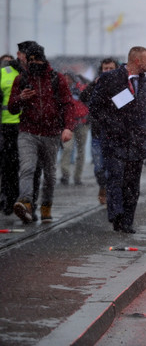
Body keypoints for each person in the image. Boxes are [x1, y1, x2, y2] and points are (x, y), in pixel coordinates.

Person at [8, 42, 76, 224]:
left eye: (37, 59)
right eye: (30, 60)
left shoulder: (57, 79)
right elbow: (12, 108)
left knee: (50, 174)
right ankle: (25, 203)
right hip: (27, 132)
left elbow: (68, 104)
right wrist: (20, 98)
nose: (34, 63)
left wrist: (68, 127)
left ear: (43, 59)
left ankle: (46, 205)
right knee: (27, 168)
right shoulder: (21, 79)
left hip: (51, 133)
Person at [89, 46, 146, 233]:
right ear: (137, 61)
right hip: (114, 140)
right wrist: (111, 124)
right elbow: (95, 106)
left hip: (136, 141)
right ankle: (116, 212)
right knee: (116, 178)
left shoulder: (145, 82)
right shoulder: (110, 78)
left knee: (132, 184)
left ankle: (127, 221)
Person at [80, 58, 118, 205]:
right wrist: (93, 85)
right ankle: (103, 185)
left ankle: (110, 190)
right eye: (105, 69)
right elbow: (83, 97)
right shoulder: (96, 85)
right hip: (97, 133)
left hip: (115, 134)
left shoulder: (121, 84)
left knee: (112, 166)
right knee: (98, 167)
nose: (107, 71)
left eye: (110, 68)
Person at [1, 48, 26, 215]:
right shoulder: (4, 73)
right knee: (8, 166)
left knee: (24, 166)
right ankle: (9, 200)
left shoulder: (30, 73)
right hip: (6, 127)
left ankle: (21, 199)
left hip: (25, 127)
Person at [59, 72, 90, 186]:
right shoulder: (62, 90)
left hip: (82, 122)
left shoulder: (82, 88)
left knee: (81, 151)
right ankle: (65, 175)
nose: (67, 80)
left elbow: (89, 101)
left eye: (68, 78)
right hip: (69, 124)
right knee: (67, 149)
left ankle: (77, 176)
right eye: (65, 78)